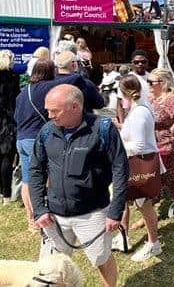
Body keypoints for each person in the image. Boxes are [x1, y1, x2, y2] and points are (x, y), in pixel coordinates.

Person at [29, 85, 128, 287]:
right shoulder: (47, 131)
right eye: (48, 110)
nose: (49, 115)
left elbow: (121, 170)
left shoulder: (103, 128)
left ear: (74, 107)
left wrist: (115, 211)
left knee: (101, 259)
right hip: (55, 216)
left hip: (92, 213)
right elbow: (35, 170)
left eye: (54, 110)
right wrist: (39, 209)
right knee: (51, 266)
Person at [15, 60, 83, 228]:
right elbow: (75, 79)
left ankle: (31, 219)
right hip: (35, 139)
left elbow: (15, 116)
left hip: (21, 139)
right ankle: (47, 216)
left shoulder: (23, 92)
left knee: (27, 180)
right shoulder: (46, 87)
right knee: (47, 178)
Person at [112, 75, 162, 262]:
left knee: (144, 206)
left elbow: (140, 145)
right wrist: (122, 128)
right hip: (131, 163)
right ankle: (122, 237)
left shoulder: (140, 112)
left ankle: (153, 243)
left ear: (126, 94)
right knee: (124, 200)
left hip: (140, 164)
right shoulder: (137, 109)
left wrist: (117, 148)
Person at [148, 68, 174, 200]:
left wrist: (170, 133)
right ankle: (152, 205)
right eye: (147, 81)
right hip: (154, 142)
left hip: (171, 145)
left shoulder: (170, 99)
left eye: (151, 82)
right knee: (155, 173)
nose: (148, 84)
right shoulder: (151, 98)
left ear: (163, 82)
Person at [0, 50, 20, 205]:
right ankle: (6, 194)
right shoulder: (13, 77)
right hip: (8, 121)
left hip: (5, 119)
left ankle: (1, 193)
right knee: (7, 157)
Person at [116, 50, 150, 123]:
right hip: (132, 119)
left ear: (147, 62)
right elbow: (120, 104)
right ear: (132, 63)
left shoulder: (152, 78)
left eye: (143, 62)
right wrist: (122, 123)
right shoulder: (127, 79)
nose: (140, 64)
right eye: (136, 62)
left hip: (150, 117)